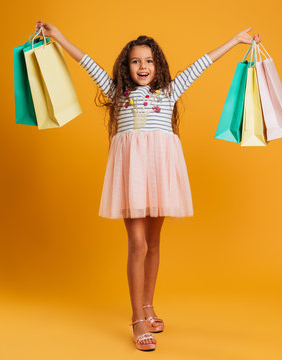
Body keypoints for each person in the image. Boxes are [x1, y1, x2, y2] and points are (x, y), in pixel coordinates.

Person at [34, 20, 260, 351]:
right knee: (137, 244)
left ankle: (149, 306)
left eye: (149, 61)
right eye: (136, 61)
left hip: (160, 172)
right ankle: (137, 317)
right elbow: (85, 62)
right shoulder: (117, 92)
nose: (143, 66)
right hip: (133, 176)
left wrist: (233, 41)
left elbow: (203, 63)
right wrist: (59, 37)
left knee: (154, 242)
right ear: (127, 67)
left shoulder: (169, 91)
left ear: (158, 66)